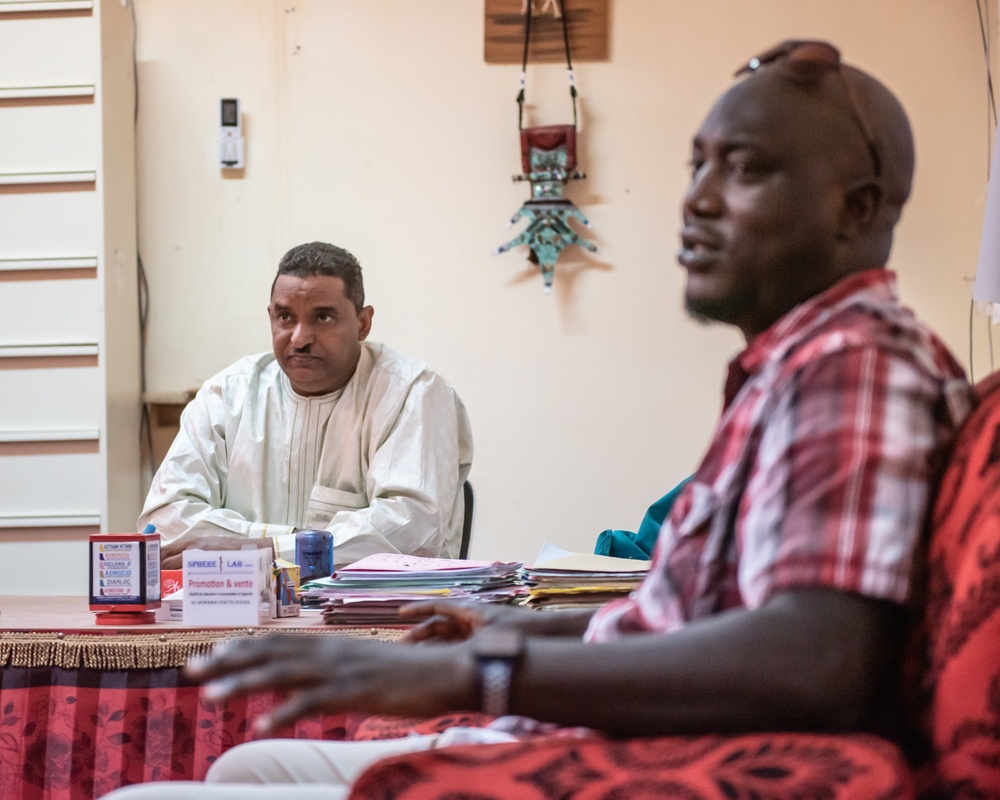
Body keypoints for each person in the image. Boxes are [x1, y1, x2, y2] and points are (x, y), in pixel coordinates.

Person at [103, 40, 973, 800]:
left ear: (856, 209)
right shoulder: (793, 371)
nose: (699, 200)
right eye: (696, 166)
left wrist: (483, 669)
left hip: (646, 755)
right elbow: (705, 614)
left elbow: (815, 659)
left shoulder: (853, 368)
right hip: (604, 727)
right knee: (243, 770)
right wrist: (517, 626)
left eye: (744, 170)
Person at [142, 241, 474, 569]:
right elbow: (164, 524)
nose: (300, 338)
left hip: (372, 615)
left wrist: (253, 550)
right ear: (270, 317)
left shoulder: (412, 392)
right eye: (285, 317)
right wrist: (298, 544)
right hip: (240, 610)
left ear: (363, 323)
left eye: (323, 317)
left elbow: (410, 535)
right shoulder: (227, 395)